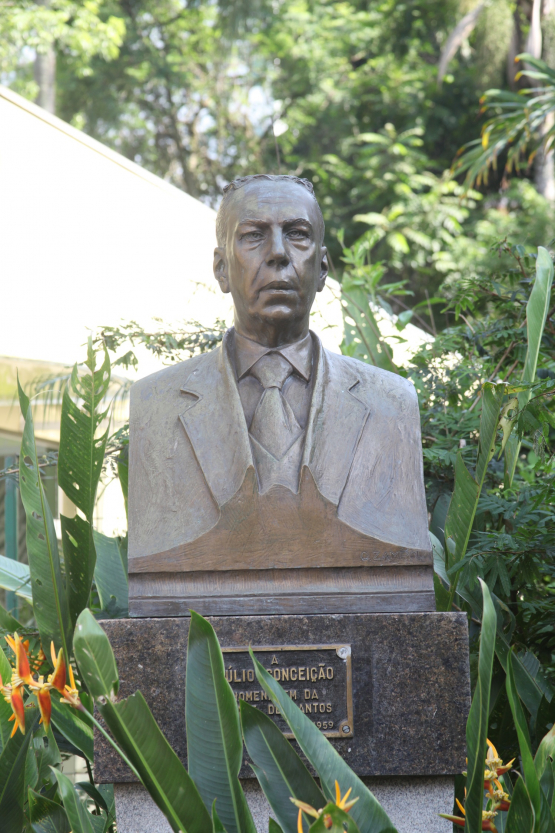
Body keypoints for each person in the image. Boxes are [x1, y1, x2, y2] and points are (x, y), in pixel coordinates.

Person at [128, 175, 432, 606]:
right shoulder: (154, 405)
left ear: (323, 268)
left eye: (297, 235)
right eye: (253, 236)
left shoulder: (392, 404)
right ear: (221, 268)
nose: (277, 254)